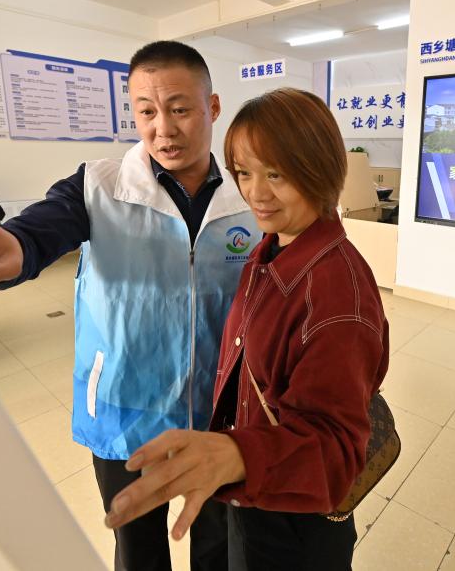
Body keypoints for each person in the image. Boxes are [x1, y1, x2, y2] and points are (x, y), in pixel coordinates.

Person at [0, 41, 257, 571]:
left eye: (180, 109)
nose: (163, 128)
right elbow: (39, 231)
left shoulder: (248, 196)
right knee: (138, 551)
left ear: (213, 107)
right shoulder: (98, 187)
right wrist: (10, 246)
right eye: (146, 112)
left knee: (218, 547)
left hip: (219, 412)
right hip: (123, 407)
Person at [103, 88, 391, 571]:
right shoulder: (274, 246)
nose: (256, 192)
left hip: (295, 522)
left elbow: (337, 451)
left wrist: (236, 455)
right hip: (259, 494)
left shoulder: (336, 296)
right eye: (243, 172)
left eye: (276, 174)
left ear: (320, 169)